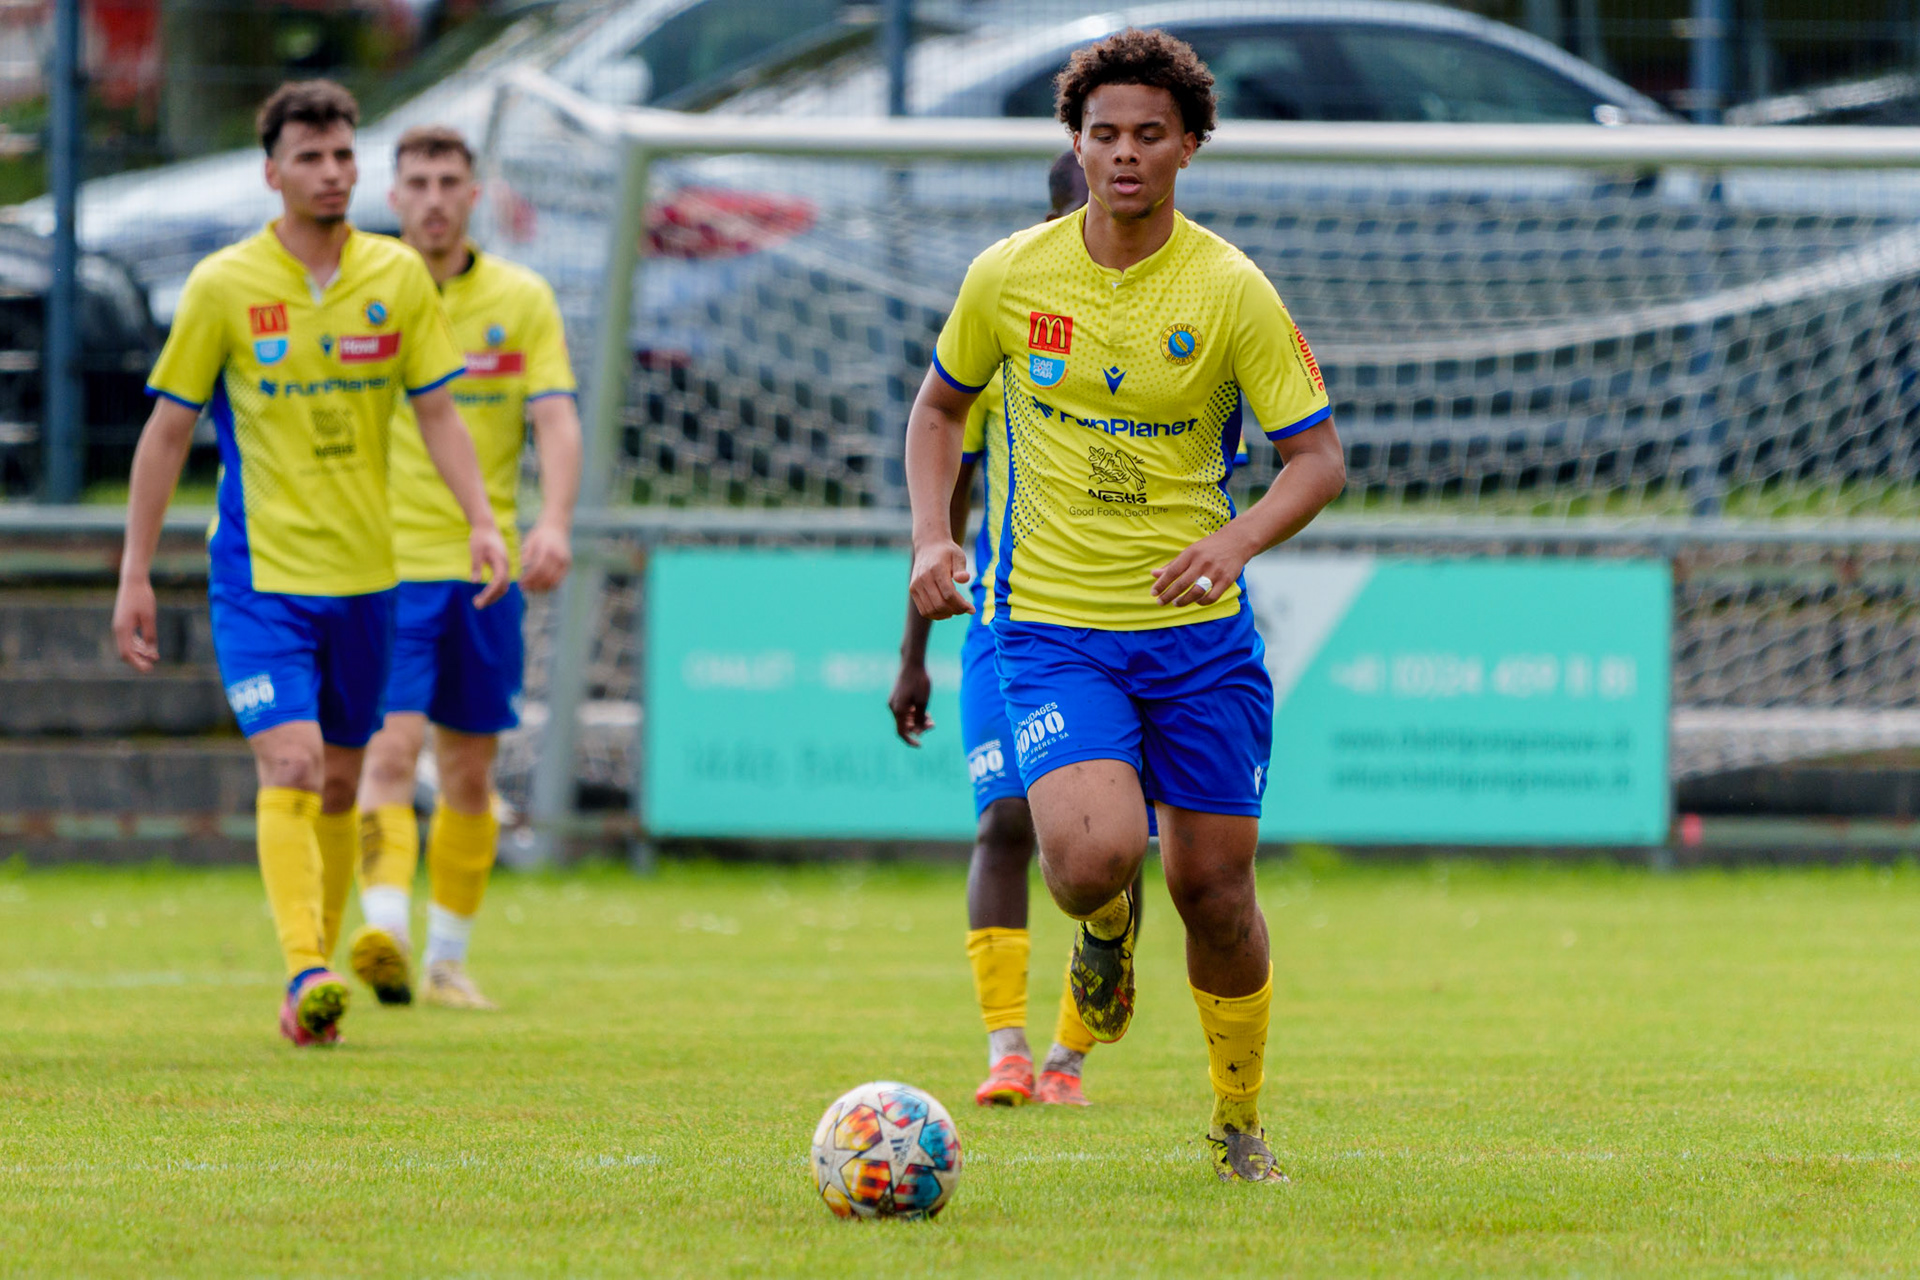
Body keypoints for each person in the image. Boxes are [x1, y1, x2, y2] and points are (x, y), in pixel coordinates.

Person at [902, 30, 1346, 1182]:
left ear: (1188, 146)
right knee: (1087, 861)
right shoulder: (1010, 274)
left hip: (1199, 645)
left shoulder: (1229, 288)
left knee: (1213, 889)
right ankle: (1104, 933)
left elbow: (1318, 459)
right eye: (1104, 134)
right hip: (1054, 630)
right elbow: (939, 412)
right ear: (1078, 145)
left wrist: (1233, 542)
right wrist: (932, 537)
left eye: (1150, 133)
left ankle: (1239, 1122)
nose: (1125, 154)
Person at [112, 81, 509, 1047]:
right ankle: (305, 970)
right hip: (260, 582)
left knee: (338, 783)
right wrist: (134, 571)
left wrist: (483, 521)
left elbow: (439, 413)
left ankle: (315, 994)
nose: (332, 174)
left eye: (342, 156)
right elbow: (166, 434)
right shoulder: (223, 287)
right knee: (288, 764)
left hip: (369, 582)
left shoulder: (396, 280)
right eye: (311, 158)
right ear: (271, 172)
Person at [890, 153, 1124, 1109]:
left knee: (1105, 840)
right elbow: (946, 509)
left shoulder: (1179, 323)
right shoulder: (1003, 333)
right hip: (1007, 617)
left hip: (1126, 622)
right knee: (1002, 821)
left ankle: (1071, 1056)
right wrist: (913, 653)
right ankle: (1009, 1051)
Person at [350, 125, 582, 1011]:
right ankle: (385, 936)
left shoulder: (520, 298)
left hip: (486, 573)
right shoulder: (367, 294)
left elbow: (555, 419)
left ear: (474, 195)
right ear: (395, 195)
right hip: (386, 563)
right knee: (390, 748)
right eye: (419, 181)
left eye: (451, 180)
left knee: (471, 772)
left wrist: (553, 523)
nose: (436, 197)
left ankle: (446, 958)